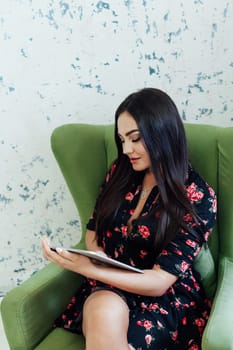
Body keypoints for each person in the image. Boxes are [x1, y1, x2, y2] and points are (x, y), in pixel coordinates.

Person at [42, 88, 217, 350]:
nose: (126, 149)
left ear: (163, 134)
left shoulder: (197, 196)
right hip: (108, 285)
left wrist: (86, 267)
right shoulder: (121, 171)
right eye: (122, 139)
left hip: (164, 297)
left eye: (135, 139)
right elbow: (93, 230)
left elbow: (160, 282)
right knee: (103, 310)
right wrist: (98, 257)